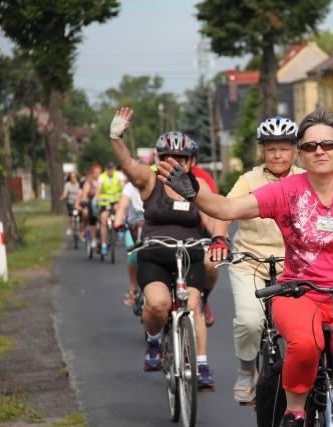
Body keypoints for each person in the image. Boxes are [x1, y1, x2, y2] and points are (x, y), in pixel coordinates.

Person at [158, 108, 333, 427]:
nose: (320, 151)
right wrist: (195, 193)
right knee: (304, 344)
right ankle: (295, 412)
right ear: (300, 155)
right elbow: (227, 208)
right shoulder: (286, 191)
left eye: (328, 144)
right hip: (302, 294)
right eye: (310, 145)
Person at [108, 107, 215, 391]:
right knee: (156, 304)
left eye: (181, 157)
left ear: (191, 161)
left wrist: (219, 239)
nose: (175, 162)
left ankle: (202, 364)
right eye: (169, 157)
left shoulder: (199, 184)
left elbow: (215, 215)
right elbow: (128, 164)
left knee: (193, 305)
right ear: (159, 159)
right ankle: (154, 341)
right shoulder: (149, 180)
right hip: (155, 254)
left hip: (190, 255)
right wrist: (116, 136)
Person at [207, 116, 305, 404]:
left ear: (294, 151)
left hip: (293, 266)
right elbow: (225, 209)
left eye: (284, 149)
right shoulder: (249, 180)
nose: (278, 155)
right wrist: (219, 239)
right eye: (271, 149)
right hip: (250, 261)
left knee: (302, 329)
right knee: (251, 320)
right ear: (262, 152)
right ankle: (246, 370)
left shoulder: (304, 179)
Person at [187, 140, 219, 328]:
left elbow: (215, 209)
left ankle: (204, 299)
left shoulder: (202, 178)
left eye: (185, 158)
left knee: (212, 262)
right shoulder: (157, 177)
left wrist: (220, 238)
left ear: (193, 160)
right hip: (169, 233)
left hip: (200, 230)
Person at [113, 172, 145, 306]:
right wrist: (118, 221)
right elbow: (122, 206)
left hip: (150, 227)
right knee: (133, 256)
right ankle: (133, 287)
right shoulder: (130, 187)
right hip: (133, 227)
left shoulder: (153, 185)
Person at [97, 161, 126, 255]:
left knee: (119, 208)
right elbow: (98, 190)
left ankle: (119, 227)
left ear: (114, 168)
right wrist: (99, 198)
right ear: (106, 169)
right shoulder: (102, 177)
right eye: (108, 168)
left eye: (112, 168)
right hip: (105, 201)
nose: (110, 170)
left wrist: (123, 196)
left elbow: (123, 186)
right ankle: (104, 244)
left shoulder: (119, 175)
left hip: (116, 199)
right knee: (103, 219)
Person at [75, 163, 102, 248]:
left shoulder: (103, 181)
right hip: (91, 204)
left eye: (99, 172)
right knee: (91, 219)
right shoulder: (88, 182)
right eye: (96, 172)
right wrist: (85, 206)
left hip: (102, 203)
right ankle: (93, 238)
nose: (97, 174)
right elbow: (84, 195)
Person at [60, 172, 80, 236]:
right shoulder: (67, 184)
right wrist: (62, 197)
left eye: (75, 177)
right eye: (72, 177)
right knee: (70, 215)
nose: (73, 179)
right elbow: (65, 193)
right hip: (70, 202)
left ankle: (81, 229)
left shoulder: (79, 184)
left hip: (78, 202)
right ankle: (70, 228)